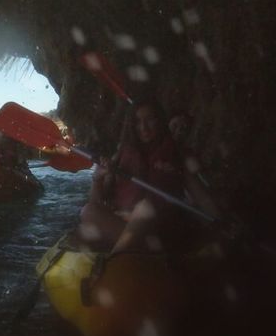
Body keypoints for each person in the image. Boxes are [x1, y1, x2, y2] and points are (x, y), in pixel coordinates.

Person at [78, 102, 222, 255]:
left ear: (160, 121)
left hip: (159, 234)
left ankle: (113, 261)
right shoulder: (122, 154)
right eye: (138, 121)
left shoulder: (177, 156)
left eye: (150, 120)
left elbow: (202, 198)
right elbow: (96, 201)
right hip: (124, 228)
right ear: (132, 125)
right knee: (88, 211)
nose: (143, 127)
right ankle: (117, 257)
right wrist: (98, 178)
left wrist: (220, 222)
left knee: (145, 208)